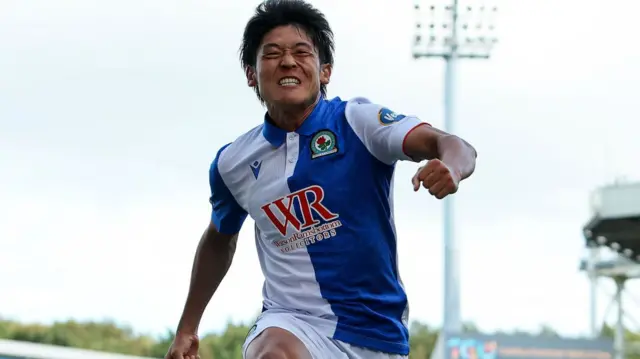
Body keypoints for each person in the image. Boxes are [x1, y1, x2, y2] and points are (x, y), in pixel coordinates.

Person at [164, 0, 477, 358]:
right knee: (273, 351)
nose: (287, 62)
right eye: (272, 54)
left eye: (301, 52)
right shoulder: (233, 163)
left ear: (324, 71)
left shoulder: (358, 122)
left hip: (377, 334)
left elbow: (453, 144)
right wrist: (188, 326)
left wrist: (450, 166)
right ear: (251, 74)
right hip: (291, 322)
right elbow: (219, 240)